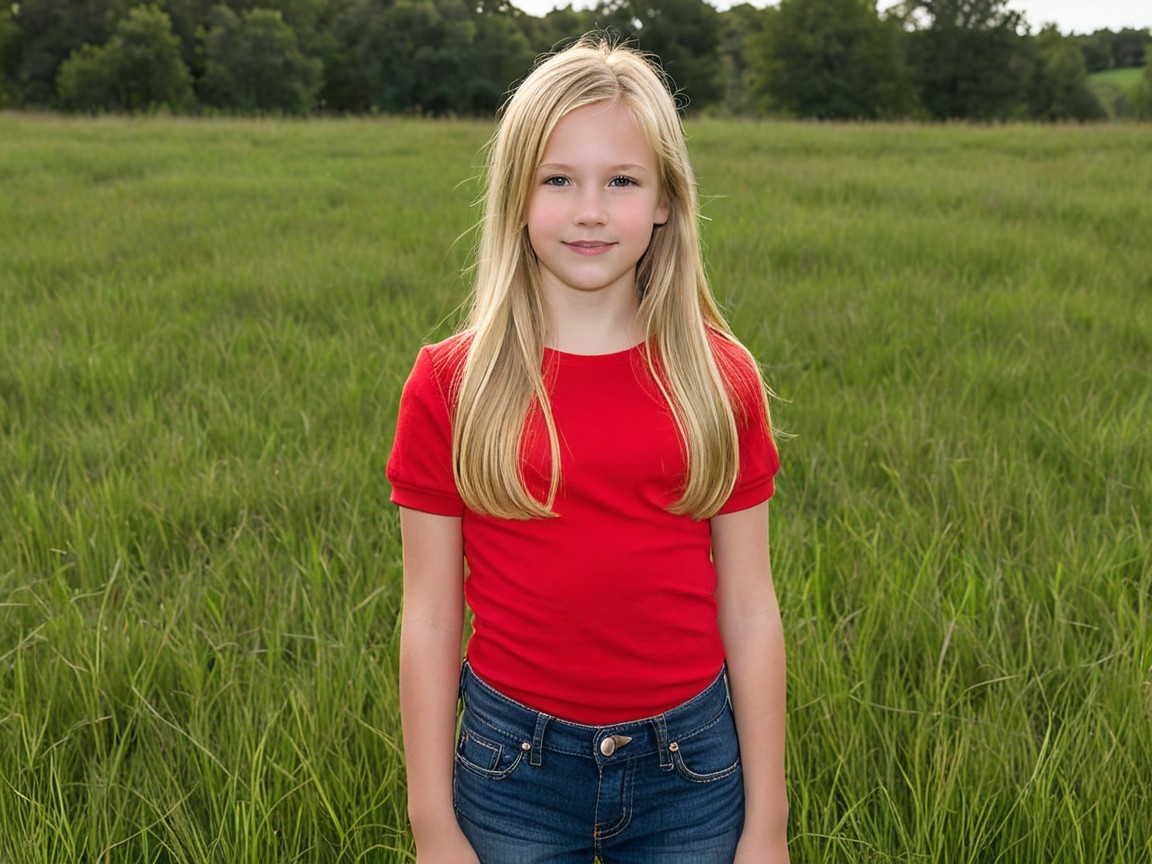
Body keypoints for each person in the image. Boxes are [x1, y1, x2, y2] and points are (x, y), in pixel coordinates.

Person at [386, 34, 789, 864]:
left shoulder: (720, 377)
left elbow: (750, 608)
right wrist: (433, 825)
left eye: (623, 181)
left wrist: (769, 824)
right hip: (512, 764)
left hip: (691, 765)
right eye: (559, 179)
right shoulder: (451, 383)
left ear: (668, 201)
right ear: (516, 196)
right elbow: (428, 616)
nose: (592, 210)